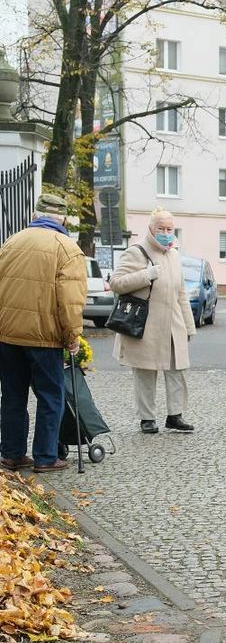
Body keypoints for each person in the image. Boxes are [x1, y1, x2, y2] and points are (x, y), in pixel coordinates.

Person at [0, 191, 86, 473]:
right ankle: (46, 457)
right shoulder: (67, 248)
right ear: (61, 218)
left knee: (12, 395)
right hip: (45, 338)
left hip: (8, 334)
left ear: (35, 215)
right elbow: (71, 301)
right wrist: (72, 337)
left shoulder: (11, 242)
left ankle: (12, 454)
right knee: (51, 396)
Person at [109, 210, 196, 434]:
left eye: (169, 229)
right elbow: (117, 283)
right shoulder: (136, 252)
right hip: (146, 324)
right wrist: (146, 274)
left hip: (173, 323)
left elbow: (181, 293)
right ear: (151, 228)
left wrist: (188, 325)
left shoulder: (174, 254)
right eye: (161, 229)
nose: (166, 233)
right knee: (146, 372)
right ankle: (147, 418)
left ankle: (175, 415)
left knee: (177, 370)